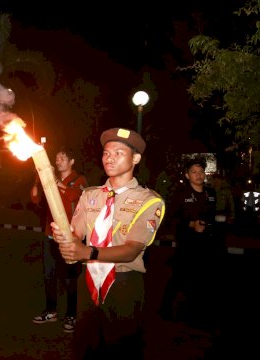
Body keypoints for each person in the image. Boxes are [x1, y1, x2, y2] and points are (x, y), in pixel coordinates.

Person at [51, 128, 165, 359]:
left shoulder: (149, 200)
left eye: (118, 152)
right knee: (85, 347)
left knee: (120, 349)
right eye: (105, 152)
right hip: (89, 281)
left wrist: (86, 251)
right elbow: (76, 232)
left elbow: (131, 250)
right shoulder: (90, 195)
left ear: (135, 159)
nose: (109, 157)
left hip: (123, 284)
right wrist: (65, 237)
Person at [158, 158, 224, 329]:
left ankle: (195, 314)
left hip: (206, 244)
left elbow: (212, 217)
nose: (198, 175)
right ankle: (164, 310)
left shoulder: (211, 193)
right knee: (179, 276)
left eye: (201, 172)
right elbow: (172, 218)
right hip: (186, 244)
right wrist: (191, 224)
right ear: (187, 175)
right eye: (194, 172)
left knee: (202, 279)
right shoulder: (181, 194)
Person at [29, 147, 87, 333]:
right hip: (49, 234)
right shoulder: (49, 180)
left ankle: (71, 314)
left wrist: (54, 183)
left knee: (70, 278)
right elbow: (36, 200)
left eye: (62, 158)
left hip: (71, 237)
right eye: (56, 158)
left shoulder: (79, 180)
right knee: (49, 275)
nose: (58, 160)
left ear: (71, 162)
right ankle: (51, 310)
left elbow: (75, 196)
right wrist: (38, 180)